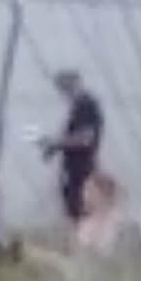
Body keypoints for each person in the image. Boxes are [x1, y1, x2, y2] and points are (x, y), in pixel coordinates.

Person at [41, 69, 104, 224]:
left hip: (81, 171)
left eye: (64, 87)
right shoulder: (78, 107)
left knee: (80, 213)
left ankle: (84, 243)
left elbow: (85, 139)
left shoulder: (86, 105)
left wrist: (57, 144)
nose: (63, 93)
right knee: (74, 212)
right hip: (75, 170)